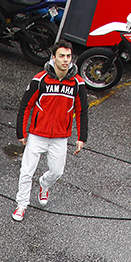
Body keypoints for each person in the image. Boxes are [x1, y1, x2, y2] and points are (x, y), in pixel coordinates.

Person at [13, 41, 88, 222]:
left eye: (68, 56)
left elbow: (82, 110)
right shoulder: (40, 80)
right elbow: (26, 106)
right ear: (53, 58)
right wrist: (21, 133)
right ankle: (21, 205)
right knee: (26, 172)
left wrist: (81, 137)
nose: (65, 60)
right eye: (61, 56)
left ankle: (44, 184)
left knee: (57, 172)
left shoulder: (78, 83)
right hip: (37, 135)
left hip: (60, 137)